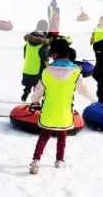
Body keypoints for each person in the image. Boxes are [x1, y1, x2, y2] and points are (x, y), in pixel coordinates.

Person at [28, 38, 94, 174]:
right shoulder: (75, 73)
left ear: (54, 54)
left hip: (48, 112)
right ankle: (59, 160)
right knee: (62, 136)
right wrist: (94, 100)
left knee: (44, 136)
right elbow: (84, 90)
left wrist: (34, 101)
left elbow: (38, 90)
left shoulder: (46, 72)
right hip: (64, 113)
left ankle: (36, 161)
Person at [21, 20, 50, 102]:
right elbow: (45, 57)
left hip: (27, 68)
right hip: (39, 69)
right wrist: (48, 67)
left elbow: (25, 55)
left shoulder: (29, 41)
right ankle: (37, 100)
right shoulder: (43, 42)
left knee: (29, 83)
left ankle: (26, 91)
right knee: (40, 85)